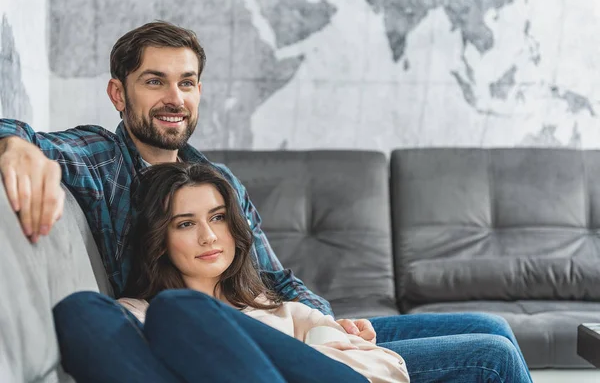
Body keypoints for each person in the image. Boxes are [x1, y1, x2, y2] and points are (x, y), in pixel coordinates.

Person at [0, 21, 532, 382]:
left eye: (187, 82)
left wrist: (326, 322)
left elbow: (274, 280)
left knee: (495, 326)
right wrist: (16, 146)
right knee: (492, 356)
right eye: (154, 81)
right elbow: (13, 128)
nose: (174, 98)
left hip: (269, 316)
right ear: (120, 94)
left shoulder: (216, 178)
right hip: (198, 326)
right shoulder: (98, 158)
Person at [54, 162, 410, 382]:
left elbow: (389, 370)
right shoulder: (137, 314)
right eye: (184, 224)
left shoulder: (283, 310)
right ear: (159, 241)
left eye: (218, 217)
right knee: (78, 310)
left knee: (182, 310)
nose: (208, 236)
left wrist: (300, 356)